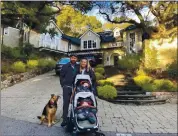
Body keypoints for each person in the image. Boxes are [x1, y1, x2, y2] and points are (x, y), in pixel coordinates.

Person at [59, 54, 79, 127]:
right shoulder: (65, 66)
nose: (73, 59)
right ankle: (64, 119)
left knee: (75, 103)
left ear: (76, 59)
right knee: (66, 103)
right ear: (70, 58)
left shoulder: (78, 66)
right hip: (67, 87)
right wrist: (63, 85)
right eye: (72, 58)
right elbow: (61, 76)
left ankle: (74, 118)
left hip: (75, 88)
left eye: (75, 58)